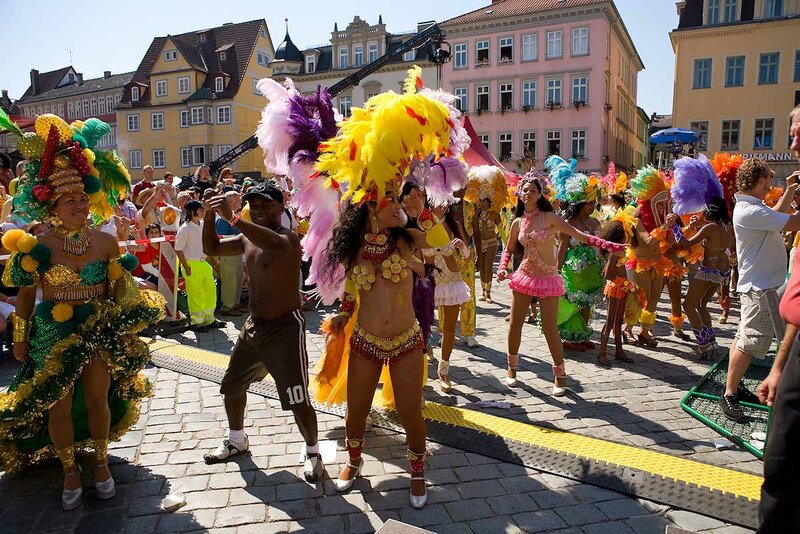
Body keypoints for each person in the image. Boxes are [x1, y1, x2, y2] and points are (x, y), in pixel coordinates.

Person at [0, 114, 165, 510]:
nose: (78, 205)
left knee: (97, 398)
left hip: (96, 327)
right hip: (51, 334)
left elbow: (118, 290)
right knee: (58, 401)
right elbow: (24, 298)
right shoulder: (38, 246)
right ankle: (70, 469)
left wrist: (130, 313)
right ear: (53, 205)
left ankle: (102, 464)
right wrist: (20, 338)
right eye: (69, 201)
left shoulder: (105, 244)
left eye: (81, 199)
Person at [201, 183, 323, 481]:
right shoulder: (246, 237)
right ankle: (236, 439)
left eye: (265, 205)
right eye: (253, 205)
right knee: (231, 385)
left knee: (298, 397)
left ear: (281, 208)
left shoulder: (289, 238)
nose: (258, 210)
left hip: (285, 327)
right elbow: (211, 248)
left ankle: (313, 451)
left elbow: (271, 244)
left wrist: (231, 217)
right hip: (254, 325)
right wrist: (207, 215)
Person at [497, 176, 624, 394]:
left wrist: (608, 244)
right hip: (524, 276)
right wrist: (502, 267)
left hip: (547, 278)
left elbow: (579, 235)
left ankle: (560, 375)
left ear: (540, 194)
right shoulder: (517, 222)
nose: (528, 194)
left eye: (533, 190)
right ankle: (511, 369)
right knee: (514, 324)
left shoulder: (550, 218)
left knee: (550, 329)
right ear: (519, 194)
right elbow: (508, 248)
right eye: (525, 190)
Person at [719, 157, 800, 422]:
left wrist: (789, 191)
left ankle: (735, 386)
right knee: (752, 341)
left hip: (759, 285)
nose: (770, 186)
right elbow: (790, 223)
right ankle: (729, 394)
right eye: (769, 181)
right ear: (761, 180)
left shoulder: (753, 208)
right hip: (760, 287)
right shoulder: (750, 211)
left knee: (744, 337)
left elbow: (777, 214)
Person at [756, 104, 800, 533]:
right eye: (792, 133)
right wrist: (779, 367)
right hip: (795, 343)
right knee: (781, 463)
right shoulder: (747, 210)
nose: (793, 143)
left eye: (799, 133)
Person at [668, 198, 733, 359]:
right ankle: (712, 342)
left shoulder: (710, 227)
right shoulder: (727, 227)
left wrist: (675, 226)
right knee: (702, 305)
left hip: (707, 272)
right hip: (722, 274)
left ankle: (704, 345)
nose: (702, 212)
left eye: (704, 209)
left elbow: (685, 244)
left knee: (688, 305)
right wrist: (696, 226)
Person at [424, 205, 471, 393]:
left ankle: (443, 372)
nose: (443, 205)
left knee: (450, 327)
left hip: (452, 282)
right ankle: (424, 355)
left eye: (446, 201)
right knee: (421, 324)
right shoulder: (422, 225)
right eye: (438, 200)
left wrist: (462, 248)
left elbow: (467, 259)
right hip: (428, 281)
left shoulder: (454, 225)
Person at [555, 196, 603, 350]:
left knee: (588, 301)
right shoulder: (567, 224)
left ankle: (583, 335)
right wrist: (557, 270)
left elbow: (602, 246)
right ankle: (570, 338)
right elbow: (562, 248)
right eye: (589, 204)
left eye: (594, 203)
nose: (592, 206)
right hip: (573, 270)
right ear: (580, 204)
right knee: (574, 302)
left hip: (593, 270)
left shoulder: (595, 222)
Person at [597, 210, 641, 366]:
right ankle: (602, 352)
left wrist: (627, 285)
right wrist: (626, 284)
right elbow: (608, 273)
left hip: (621, 288)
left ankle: (619, 350)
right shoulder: (614, 251)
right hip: (615, 288)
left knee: (618, 321)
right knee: (609, 321)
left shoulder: (620, 250)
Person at [175, 200, 224, 331]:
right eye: (200, 209)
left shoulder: (203, 225)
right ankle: (197, 322)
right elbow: (178, 249)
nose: (203, 211)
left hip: (204, 263)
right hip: (192, 264)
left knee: (210, 291)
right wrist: (186, 267)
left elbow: (206, 247)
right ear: (193, 211)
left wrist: (214, 263)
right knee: (195, 294)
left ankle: (209, 319)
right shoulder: (185, 229)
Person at [215, 191, 244, 316]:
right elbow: (222, 237)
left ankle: (235, 304)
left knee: (238, 278)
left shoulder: (233, 215)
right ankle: (227, 306)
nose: (240, 202)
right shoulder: (223, 218)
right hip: (228, 254)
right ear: (230, 202)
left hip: (237, 252)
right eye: (238, 200)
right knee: (229, 281)